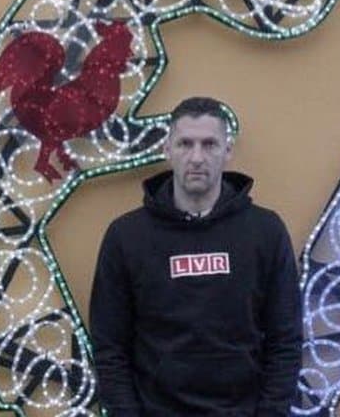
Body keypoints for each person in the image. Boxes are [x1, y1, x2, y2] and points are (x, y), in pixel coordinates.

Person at [89, 96, 302, 416]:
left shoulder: (266, 231)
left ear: (227, 151)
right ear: (168, 150)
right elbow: (109, 348)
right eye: (185, 144)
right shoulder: (126, 236)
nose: (197, 157)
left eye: (209, 144)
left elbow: (285, 342)